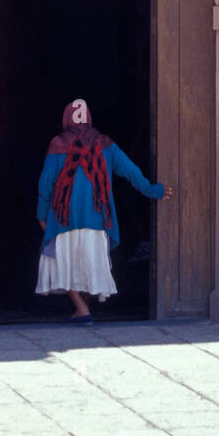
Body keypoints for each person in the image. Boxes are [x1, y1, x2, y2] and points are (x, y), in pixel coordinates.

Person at [36, 97, 173, 323]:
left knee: (63, 262)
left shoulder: (59, 144)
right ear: (88, 118)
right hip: (97, 218)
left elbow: (45, 183)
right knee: (89, 263)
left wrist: (42, 214)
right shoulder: (105, 144)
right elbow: (130, 171)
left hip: (64, 218)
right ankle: (83, 310)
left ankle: (82, 310)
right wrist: (152, 190)